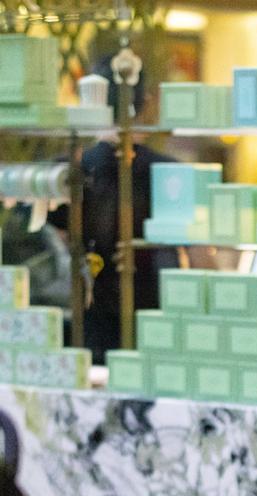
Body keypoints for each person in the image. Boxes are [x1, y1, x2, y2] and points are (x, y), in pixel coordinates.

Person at [46, 53, 179, 364]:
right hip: (159, 317)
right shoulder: (168, 173)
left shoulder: (68, 172)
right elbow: (199, 259)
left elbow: (61, 242)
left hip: (88, 318)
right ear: (146, 103)